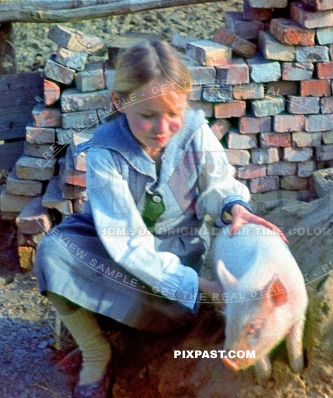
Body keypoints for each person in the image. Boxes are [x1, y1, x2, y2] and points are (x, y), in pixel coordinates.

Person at [34, 40, 286, 398]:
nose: (162, 127)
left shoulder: (195, 132)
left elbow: (218, 182)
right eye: (147, 115)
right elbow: (127, 243)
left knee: (173, 311)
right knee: (53, 254)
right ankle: (96, 351)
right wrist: (208, 288)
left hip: (178, 251)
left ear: (185, 101)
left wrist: (233, 206)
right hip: (117, 246)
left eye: (173, 113)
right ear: (120, 102)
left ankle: (130, 320)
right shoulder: (106, 151)